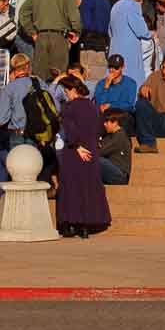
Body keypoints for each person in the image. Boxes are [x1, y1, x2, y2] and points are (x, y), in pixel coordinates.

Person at [53, 76, 109, 238]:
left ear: (72, 90)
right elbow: (99, 129)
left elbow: (70, 130)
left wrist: (77, 146)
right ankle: (86, 225)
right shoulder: (93, 107)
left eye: (66, 91)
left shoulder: (68, 107)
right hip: (91, 150)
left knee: (71, 187)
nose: (65, 94)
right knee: (88, 186)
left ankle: (71, 224)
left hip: (74, 150)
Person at [19, 0, 80, 77]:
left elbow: (23, 12)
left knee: (41, 77)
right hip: (59, 37)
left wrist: (32, 32)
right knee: (58, 76)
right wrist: (77, 31)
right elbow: (73, 14)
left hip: (41, 37)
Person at [109, 0, 152, 83]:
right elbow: (141, 30)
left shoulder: (116, 5)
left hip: (115, 48)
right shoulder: (133, 5)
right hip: (129, 51)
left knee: (115, 80)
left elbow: (110, 30)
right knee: (132, 81)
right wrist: (150, 34)